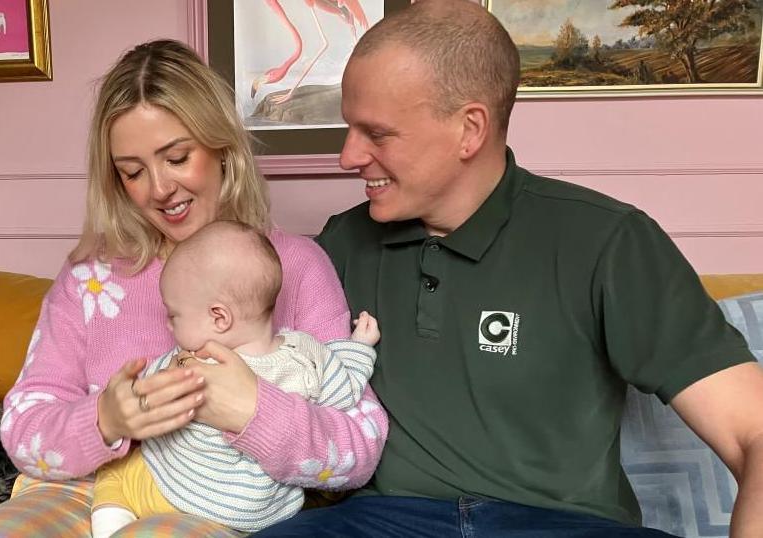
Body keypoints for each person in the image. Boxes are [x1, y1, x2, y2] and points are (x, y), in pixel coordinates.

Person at [247, 1, 763, 537]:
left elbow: (752, 430)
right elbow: (241, 337)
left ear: (469, 129)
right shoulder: (342, 244)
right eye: (349, 128)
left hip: (564, 527)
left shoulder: (608, 241)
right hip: (380, 522)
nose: (348, 156)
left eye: (376, 134)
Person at [0, 39, 388, 537]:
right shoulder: (88, 281)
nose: (159, 190)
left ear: (222, 146)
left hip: (213, 502)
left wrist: (254, 412)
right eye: (133, 171)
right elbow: (22, 431)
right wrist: (105, 421)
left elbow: (359, 449)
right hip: (80, 490)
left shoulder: (297, 267)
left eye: (177, 158)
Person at [90, 220, 381, 537]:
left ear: (219, 317)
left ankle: (110, 527)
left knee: (113, 473)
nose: (169, 328)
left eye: (173, 315)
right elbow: (347, 393)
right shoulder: (307, 354)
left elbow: (142, 400)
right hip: (262, 513)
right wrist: (360, 347)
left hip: (172, 492)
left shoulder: (194, 362)